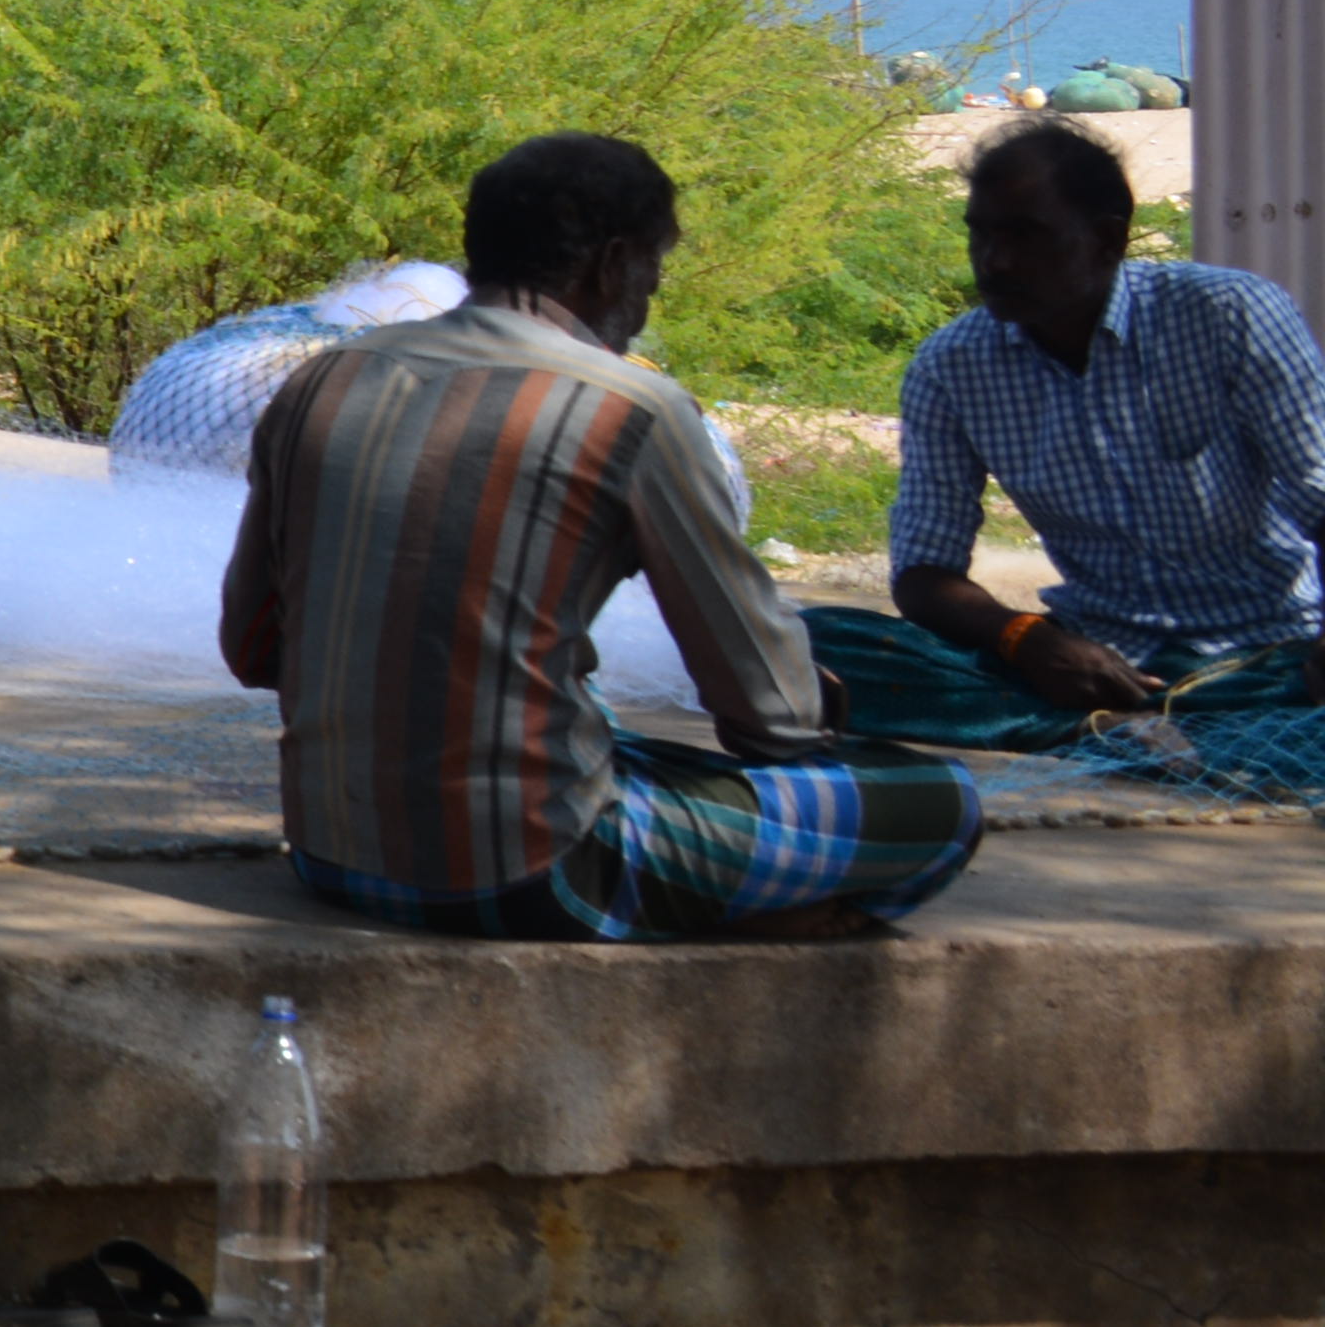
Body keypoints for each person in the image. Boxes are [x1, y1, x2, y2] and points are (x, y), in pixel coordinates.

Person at [222, 133, 987, 940]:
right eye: (654, 271)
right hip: (528, 872)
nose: (648, 301)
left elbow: (254, 648)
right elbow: (770, 715)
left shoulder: (323, 380)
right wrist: (817, 696)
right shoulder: (632, 408)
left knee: (601, 737)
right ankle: (711, 909)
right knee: (937, 801)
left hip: (332, 855)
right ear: (614, 264)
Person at [823, 118, 1321, 741]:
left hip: (1265, 650)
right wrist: (1026, 640)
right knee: (818, 642)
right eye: (981, 234)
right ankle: (1154, 727)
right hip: (1090, 661)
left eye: (1026, 235)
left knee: (1297, 686)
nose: (995, 261)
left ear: (1108, 240)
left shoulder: (1227, 313)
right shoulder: (951, 366)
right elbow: (924, 575)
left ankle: (1116, 731)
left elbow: (1319, 488)